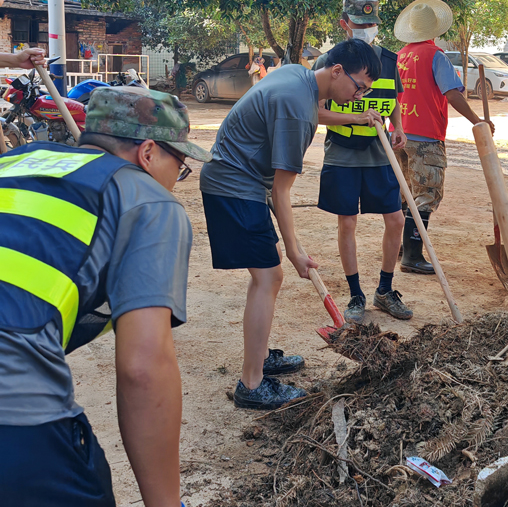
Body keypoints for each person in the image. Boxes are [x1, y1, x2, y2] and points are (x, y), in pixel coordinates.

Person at [0, 85, 212, 507]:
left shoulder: (13, 161)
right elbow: (143, 368)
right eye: (181, 166)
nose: (178, 181)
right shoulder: (146, 199)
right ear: (148, 152)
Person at [199, 38, 382, 410]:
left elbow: (315, 112)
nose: (359, 94)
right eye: (359, 86)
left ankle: (261, 356)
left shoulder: (299, 76)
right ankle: (251, 384)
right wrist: (296, 249)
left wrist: (358, 117)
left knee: (268, 272)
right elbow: (282, 191)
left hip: (240, 180)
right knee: (270, 275)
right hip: (234, 186)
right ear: (336, 71)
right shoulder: (295, 107)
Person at [313, 0, 411, 323]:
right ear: (345, 24)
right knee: (348, 221)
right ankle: (356, 295)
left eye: (371, 23)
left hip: (379, 151)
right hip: (342, 154)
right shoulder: (327, 63)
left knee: (396, 219)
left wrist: (398, 126)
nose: (366, 29)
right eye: (360, 23)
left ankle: (385, 290)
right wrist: (355, 118)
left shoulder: (389, 59)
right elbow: (318, 113)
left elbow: (393, 97)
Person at [393, 0, 493, 274]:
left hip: (398, 133)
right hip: (425, 136)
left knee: (406, 192)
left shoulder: (401, 55)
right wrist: (478, 121)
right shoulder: (435, 56)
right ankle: (412, 256)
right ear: (435, 30)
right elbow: (452, 94)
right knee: (424, 195)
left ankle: (402, 245)